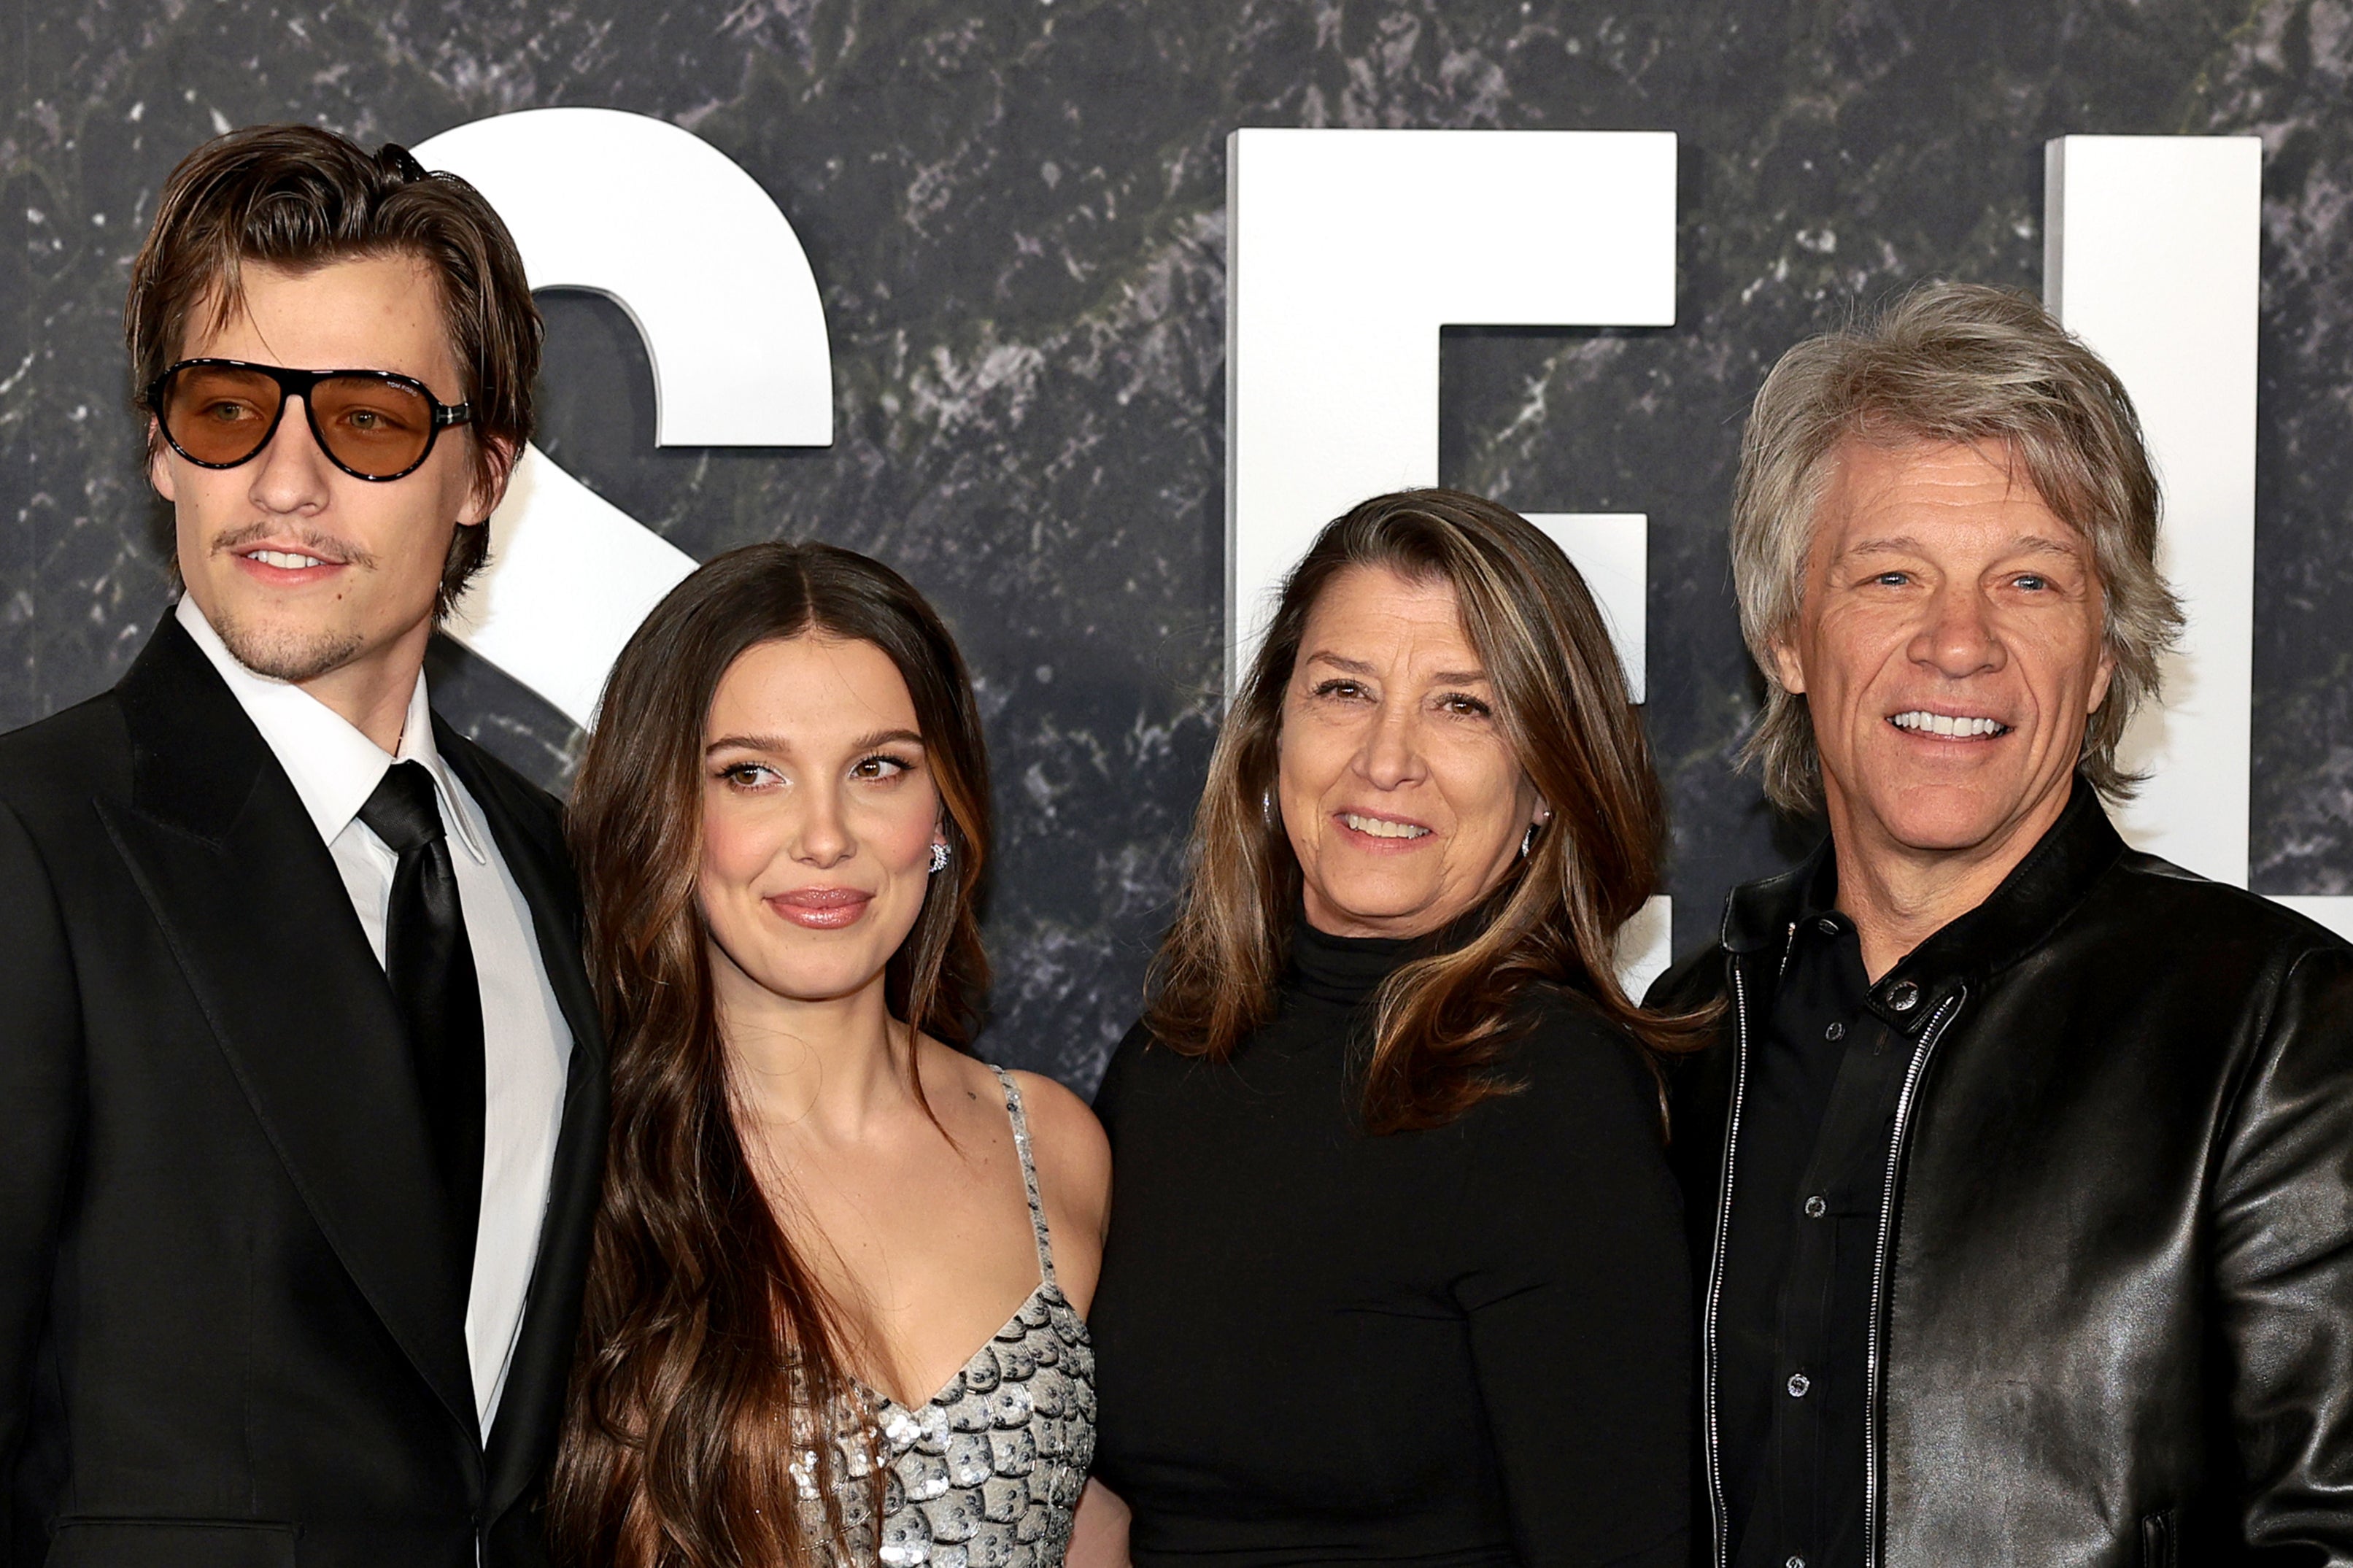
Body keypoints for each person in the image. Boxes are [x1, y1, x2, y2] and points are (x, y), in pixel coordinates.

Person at [1649, 282, 2353, 1567]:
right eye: (1890, 573)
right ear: (1785, 633)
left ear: (2100, 657)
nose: (1957, 643)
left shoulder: (2277, 1026)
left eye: (2028, 580)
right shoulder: (1687, 1037)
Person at [0, 127, 605, 1564]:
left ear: (482, 475)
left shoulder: (556, 873)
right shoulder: (32, 846)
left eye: (371, 420)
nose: (284, 480)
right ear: (161, 444)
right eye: (225, 408)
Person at [1086, 488, 1699, 1567]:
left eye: (1462, 706)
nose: (1385, 758)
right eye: (1342, 691)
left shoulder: (1546, 1090)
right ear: (1275, 730)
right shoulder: (1165, 1067)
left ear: (1547, 780)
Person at [549, 541, 1115, 1567]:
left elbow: (1094, 1523)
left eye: (877, 768)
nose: (823, 836)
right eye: (751, 774)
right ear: (665, 811)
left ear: (940, 810)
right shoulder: (572, 1162)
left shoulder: (1055, 1143)